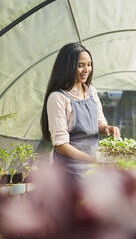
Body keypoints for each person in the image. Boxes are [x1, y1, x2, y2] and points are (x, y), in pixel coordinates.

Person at [40, 43, 121, 178]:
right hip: (68, 172)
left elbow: (98, 123)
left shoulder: (91, 91)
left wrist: (107, 128)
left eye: (89, 64)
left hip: (91, 170)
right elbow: (61, 145)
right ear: (68, 67)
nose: (86, 70)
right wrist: (93, 160)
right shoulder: (58, 98)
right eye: (80, 65)